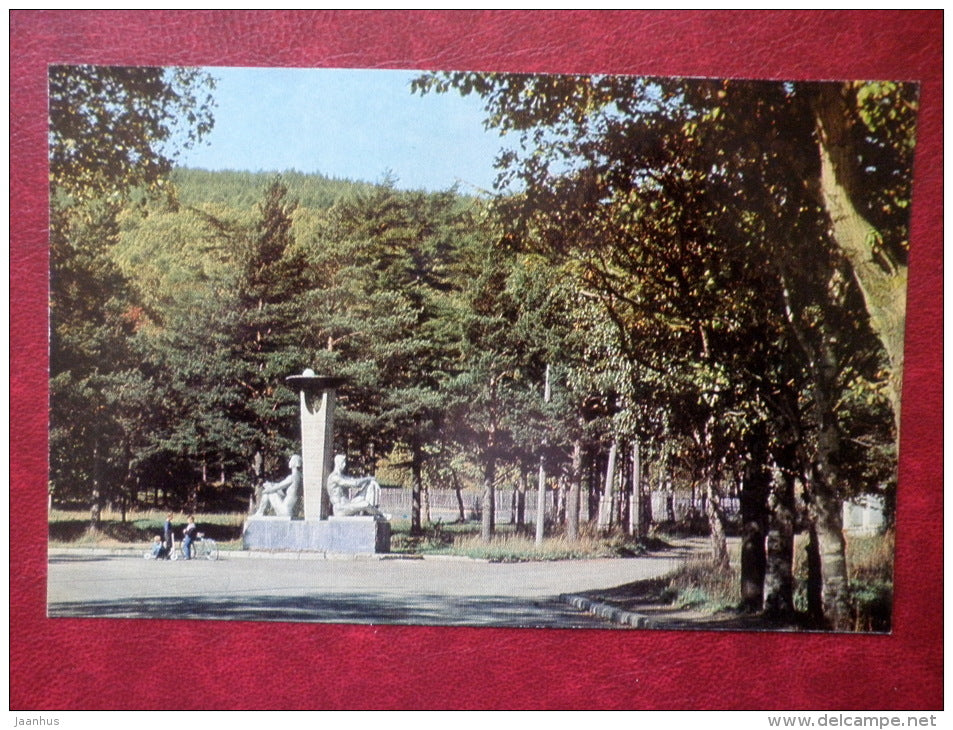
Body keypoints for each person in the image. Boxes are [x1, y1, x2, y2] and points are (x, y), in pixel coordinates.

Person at [326, 454, 388, 519]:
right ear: (337, 463)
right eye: (342, 462)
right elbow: (355, 483)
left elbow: (355, 481)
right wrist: (369, 478)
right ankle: (381, 514)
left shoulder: (343, 476)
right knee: (365, 504)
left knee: (370, 484)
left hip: (348, 504)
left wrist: (370, 481)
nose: (344, 465)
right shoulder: (334, 477)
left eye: (344, 462)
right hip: (340, 508)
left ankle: (369, 513)